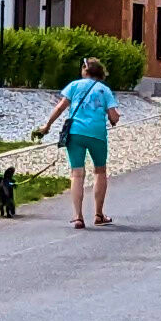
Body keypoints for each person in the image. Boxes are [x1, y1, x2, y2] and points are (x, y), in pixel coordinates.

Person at [37, 56, 122, 227]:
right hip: (97, 134)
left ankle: (78, 217)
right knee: (100, 171)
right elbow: (113, 116)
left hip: (75, 132)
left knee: (77, 173)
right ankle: (98, 215)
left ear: (85, 70)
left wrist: (47, 126)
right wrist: (113, 118)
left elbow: (60, 107)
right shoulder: (104, 90)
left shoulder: (74, 86)